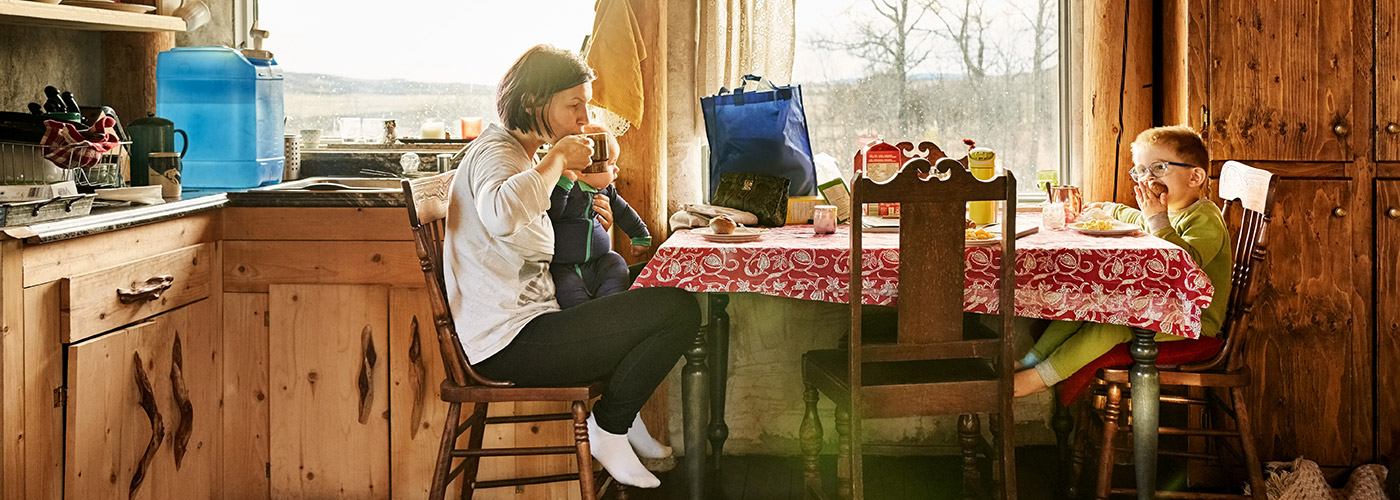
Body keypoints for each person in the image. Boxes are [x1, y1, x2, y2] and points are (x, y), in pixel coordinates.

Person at [443, 44, 698, 488]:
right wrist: (557, 159)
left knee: (664, 283)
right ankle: (610, 426)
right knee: (678, 310)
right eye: (573, 104)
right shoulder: (497, 153)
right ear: (533, 103)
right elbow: (502, 213)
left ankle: (623, 414)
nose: (584, 118)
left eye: (586, 104)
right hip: (509, 341)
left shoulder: (521, 156)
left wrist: (585, 214)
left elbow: (529, 236)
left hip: (540, 318)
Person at [1013, 125, 1232, 397]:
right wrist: (1108, 208)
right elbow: (1139, 220)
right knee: (1086, 300)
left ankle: (1039, 378)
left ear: (1195, 176)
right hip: (1160, 307)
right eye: (1141, 171)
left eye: (1158, 168)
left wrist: (1157, 219)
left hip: (1194, 321)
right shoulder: (1170, 212)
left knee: (1110, 326)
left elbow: (1186, 264)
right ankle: (1031, 360)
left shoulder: (1204, 217)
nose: (1147, 179)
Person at [548, 129, 651, 309]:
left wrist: (639, 236)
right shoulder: (564, 189)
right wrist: (563, 184)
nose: (617, 169)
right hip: (565, 268)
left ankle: (611, 306)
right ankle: (585, 314)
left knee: (617, 263)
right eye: (611, 163)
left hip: (600, 262)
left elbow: (624, 212)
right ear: (584, 169)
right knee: (566, 289)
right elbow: (552, 213)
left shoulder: (606, 191)